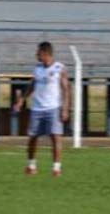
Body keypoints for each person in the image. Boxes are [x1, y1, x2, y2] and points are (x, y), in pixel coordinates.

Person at [12, 41, 70, 176]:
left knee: (56, 137)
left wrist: (65, 108)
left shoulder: (60, 68)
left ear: (45, 53)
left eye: (38, 53)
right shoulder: (37, 68)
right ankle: (31, 166)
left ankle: (56, 168)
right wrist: (21, 100)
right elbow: (32, 86)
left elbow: (66, 89)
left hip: (54, 108)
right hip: (37, 109)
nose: (36, 55)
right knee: (32, 137)